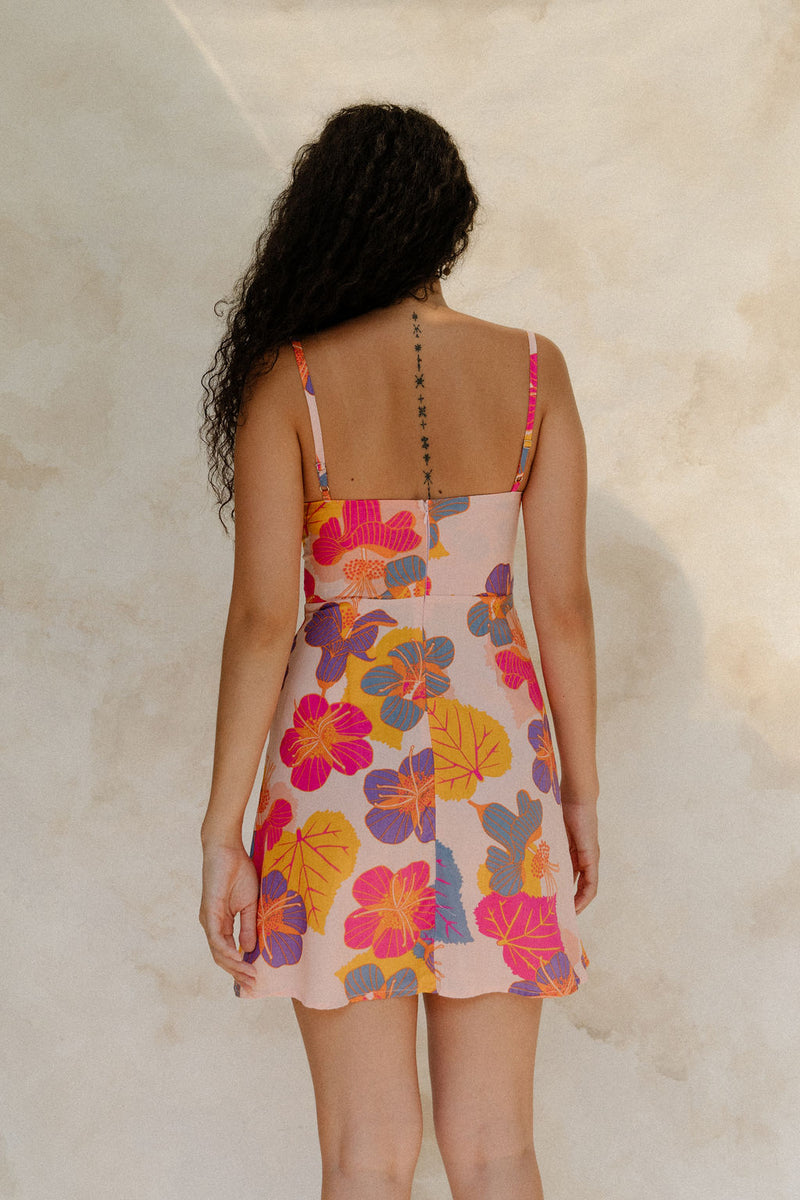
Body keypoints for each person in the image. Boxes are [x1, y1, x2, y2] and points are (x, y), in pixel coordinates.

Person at [198, 101, 599, 1200]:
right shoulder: (531, 370)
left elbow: (261, 624)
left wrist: (220, 829)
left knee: (363, 1153)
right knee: (496, 1146)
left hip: (339, 769)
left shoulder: (291, 382)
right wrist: (578, 798)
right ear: (449, 225)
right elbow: (558, 604)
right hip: (498, 767)